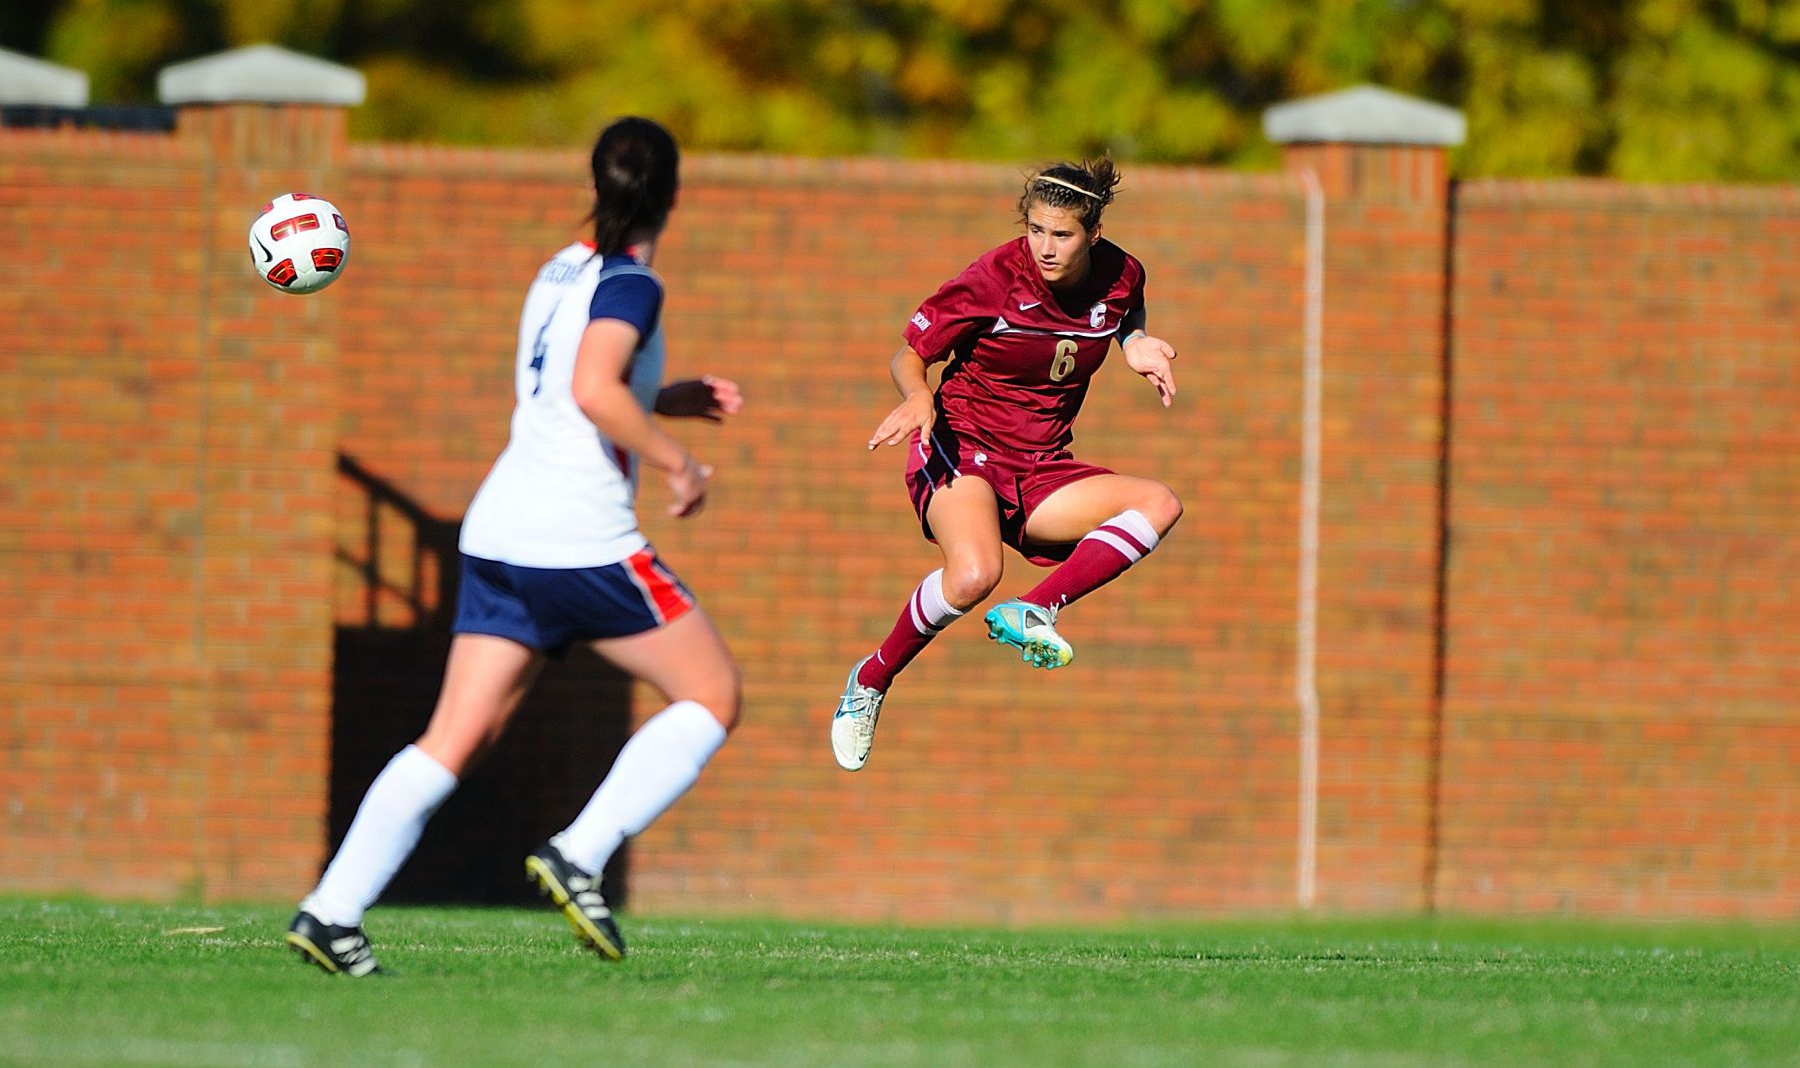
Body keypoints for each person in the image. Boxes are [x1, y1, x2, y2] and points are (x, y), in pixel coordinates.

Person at [287, 117, 743, 975]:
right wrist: (679, 462)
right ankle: (582, 850)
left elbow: (572, 387)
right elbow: (591, 388)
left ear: (596, 182)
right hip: (578, 537)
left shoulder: (559, 267)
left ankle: (330, 908)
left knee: (453, 735)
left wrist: (669, 397)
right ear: (671, 195)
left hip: (500, 531)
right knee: (712, 694)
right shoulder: (632, 283)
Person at [831, 158, 1180, 772]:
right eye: (1036, 230)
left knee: (1160, 503)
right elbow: (909, 354)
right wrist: (917, 396)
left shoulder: (1123, 274)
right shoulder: (994, 277)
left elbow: (1124, 314)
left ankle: (1037, 609)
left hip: (1040, 464)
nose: (1045, 247)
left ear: (1093, 234)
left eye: (1062, 234)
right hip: (962, 445)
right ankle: (871, 679)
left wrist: (1135, 344)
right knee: (972, 576)